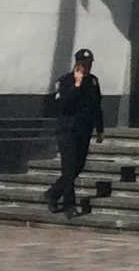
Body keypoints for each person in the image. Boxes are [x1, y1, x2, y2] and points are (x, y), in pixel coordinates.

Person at [43, 48, 105, 217]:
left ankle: (53, 193)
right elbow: (63, 105)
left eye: (90, 64)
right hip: (67, 130)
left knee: (78, 167)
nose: (88, 67)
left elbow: (96, 107)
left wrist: (100, 129)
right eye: (85, 64)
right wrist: (76, 85)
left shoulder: (93, 81)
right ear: (77, 64)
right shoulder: (65, 81)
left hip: (84, 130)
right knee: (69, 168)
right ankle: (69, 205)